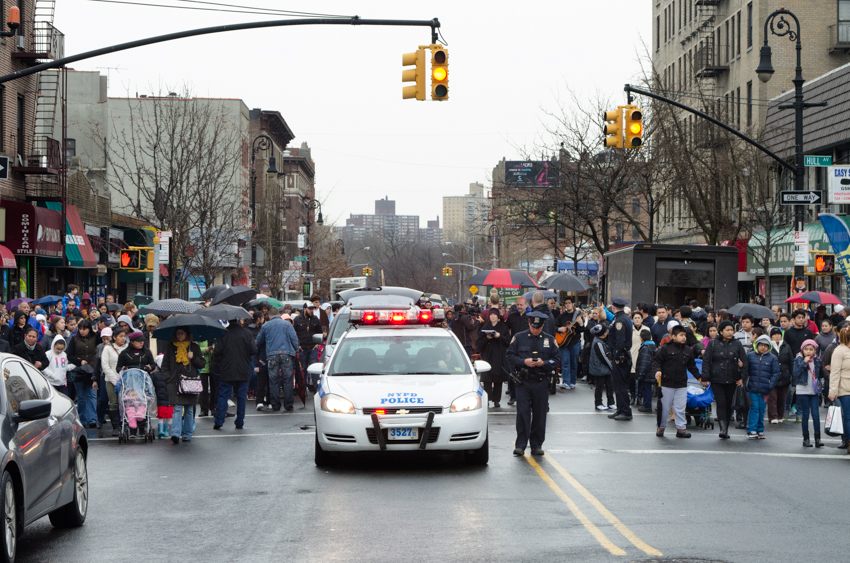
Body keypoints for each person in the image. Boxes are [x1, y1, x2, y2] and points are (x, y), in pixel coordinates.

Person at [506, 311, 560, 456]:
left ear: (543, 325)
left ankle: (536, 444)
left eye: (538, 327)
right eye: (533, 326)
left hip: (541, 381)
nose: (535, 329)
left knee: (540, 414)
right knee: (523, 414)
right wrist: (523, 361)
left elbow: (557, 359)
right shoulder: (519, 337)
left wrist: (545, 363)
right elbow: (510, 355)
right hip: (524, 381)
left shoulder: (549, 339)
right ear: (529, 323)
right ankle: (521, 445)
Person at [651, 325, 701, 438]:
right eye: (681, 335)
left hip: (681, 383)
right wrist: (657, 371)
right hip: (666, 383)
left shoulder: (688, 350)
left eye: (685, 335)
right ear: (673, 336)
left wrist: (700, 377)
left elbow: (692, 366)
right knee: (664, 408)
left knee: (680, 407)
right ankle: (661, 427)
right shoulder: (665, 348)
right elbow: (656, 361)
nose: (684, 338)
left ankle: (681, 429)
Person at [701, 320, 748, 439]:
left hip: (733, 379)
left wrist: (742, 377)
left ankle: (726, 427)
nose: (730, 332)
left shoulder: (737, 344)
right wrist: (705, 377)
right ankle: (722, 428)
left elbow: (744, 362)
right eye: (727, 330)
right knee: (721, 403)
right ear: (721, 331)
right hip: (717, 378)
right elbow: (706, 361)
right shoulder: (712, 344)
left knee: (728, 404)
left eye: (731, 330)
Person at [161, 328, 206, 443]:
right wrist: (168, 379)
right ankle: (175, 434)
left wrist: (193, 357)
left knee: (189, 409)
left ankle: (187, 434)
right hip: (175, 382)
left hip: (191, 382)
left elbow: (202, 364)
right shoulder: (171, 347)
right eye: (177, 333)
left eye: (182, 333)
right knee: (177, 408)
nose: (179, 335)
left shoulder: (194, 347)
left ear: (187, 334)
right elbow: (165, 366)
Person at [213, 318, 256, 430]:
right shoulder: (247, 333)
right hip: (243, 368)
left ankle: (219, 420)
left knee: (223, 395)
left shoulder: (223, 333)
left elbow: (217, 350)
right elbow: (253, 350)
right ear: (238, 320)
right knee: (242, 397)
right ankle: (240, 421)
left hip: (227, 368)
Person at [256, 307, 299, 412]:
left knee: (273, 381)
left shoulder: (266, 326)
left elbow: (259, 340)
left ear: (269, 316)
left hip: (272, 355)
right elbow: (294, 339)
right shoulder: (288, 325)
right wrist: (296, 350)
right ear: (280, 315)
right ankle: (288, 405)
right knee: (287, 380)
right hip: (286, 354)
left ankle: (275, 405)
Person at [66, 320, 100, 429]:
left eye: (84, 328)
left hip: (93, 370)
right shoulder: (74, 339)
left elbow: (104, 340)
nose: (82, 331)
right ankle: (83, 419)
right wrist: (78, 362)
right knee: (81, 397)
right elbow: (69, 355)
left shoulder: (95, 337)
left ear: (89, 328)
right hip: (79, 371)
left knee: (92, 395)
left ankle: (93, 419)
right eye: (80, 328)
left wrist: (97, 332)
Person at [746, 335, 780, 439]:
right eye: (761, 345)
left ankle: (760, 430)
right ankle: (751, 429)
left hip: (765, 389)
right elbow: (745, 370)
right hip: (752, 388)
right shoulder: (750, 355)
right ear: (757, 345)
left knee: (761, 409)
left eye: (766, 345)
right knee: (754, 408)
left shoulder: (772, 358)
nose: (763, 347)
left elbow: (776, 373)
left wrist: (771, 385)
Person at [477, 308, 510, 408]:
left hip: (499, 356)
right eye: (491, 315)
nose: (493, 317)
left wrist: (499, 336)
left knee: (498, 380)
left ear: (497, 316)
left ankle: (496, 400)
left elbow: (508, 342)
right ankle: (487, 399)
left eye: (494, 315)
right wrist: (487, 338)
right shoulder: (485, 327)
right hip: (488, 355)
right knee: (487, 379)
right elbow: (479, 344)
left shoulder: (503, 327)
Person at [607, 297, 633, 421]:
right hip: (622, 355)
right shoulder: (622, 318)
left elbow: (620, 340)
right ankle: (621, 408)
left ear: (613, 306)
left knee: (620, 385)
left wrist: (617, 356)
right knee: (618, 385)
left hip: (621, 357)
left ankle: (625, 411)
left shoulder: (620, 321)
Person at [795, 339, 824, 448]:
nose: (808, 352)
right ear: (802, 349)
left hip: (814, 390)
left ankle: (818, 438)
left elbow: (820, 374)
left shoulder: (817, 360)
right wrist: (804, 362)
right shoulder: (798, 359)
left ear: (814, 350)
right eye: (806, 349)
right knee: (805, 415)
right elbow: (795, 373)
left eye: (811, 349)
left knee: (816, 415)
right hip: (803, 390)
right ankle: (806, 439)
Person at [101, 328, 128, 437]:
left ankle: (125, 424)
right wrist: (116, 380)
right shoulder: (107, 349)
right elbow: (105, 366)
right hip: (111, 380)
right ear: (114, 337)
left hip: (126, 380)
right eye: (120, 336)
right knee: (114, 403)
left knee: (126, 403)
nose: (123, 338)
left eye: (124, 336)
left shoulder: (127, 348)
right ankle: (116, 426)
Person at [828, 327, 850, 455]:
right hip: (845, 389)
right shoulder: (839, 351)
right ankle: (848, 441)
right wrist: (833, 391)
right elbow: (835, 372)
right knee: (848, 417)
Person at [556, 296, 583, 390]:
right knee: (565, 362)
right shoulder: (561, 316)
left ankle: (572, 382)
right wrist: (559, 329)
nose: (567, 305)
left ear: (572, 304)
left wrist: (581, 323)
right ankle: (566, 382)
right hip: (563, 343)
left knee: (574, 363)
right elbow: (554, 326)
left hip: (574, 342)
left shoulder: (577, 315)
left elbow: (582, 330)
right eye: (566, 303)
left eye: (569, 303)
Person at [293, 302, 322, 389]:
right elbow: (293, 334)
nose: (311, 311)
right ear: (305, 309)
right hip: (302, 348)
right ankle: (302, 387)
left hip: (313, 347)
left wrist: (317, 344)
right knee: (302, 369)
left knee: (314, 367)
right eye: (310, 309)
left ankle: (315, 386)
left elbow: (320, 332)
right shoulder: (297, 319)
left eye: (312, 309)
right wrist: (297, 345)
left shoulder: (316, 319)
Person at [768, 327, 793, 425]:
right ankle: (773, 416)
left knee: (782, 398)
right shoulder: (769, 347)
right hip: (772, 377)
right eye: (774, 335)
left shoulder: (786, 346)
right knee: (773, 398)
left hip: (785, 376)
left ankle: (780, 415)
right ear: (771, 336)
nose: (777, 336)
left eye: (778, 334)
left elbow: (791, 362)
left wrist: (792, 375)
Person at [588, 324, 615, 411]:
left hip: (604, 368)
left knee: (610, 386)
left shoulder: (600, 340)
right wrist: (611, 366)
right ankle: (598, 403)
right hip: (600, 368)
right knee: (600, 386)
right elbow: (603, 357)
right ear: (603, 334)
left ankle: (611, 402)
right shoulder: (598, 343)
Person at [635, 329, 656, 412]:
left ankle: (647, 405)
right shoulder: (652, 346)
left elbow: (644, 361)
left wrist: (640, 373)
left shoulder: (645, 348)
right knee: (648, 389)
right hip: (651, 371)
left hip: (646, 373)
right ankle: (647, 404)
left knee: (646, 389)